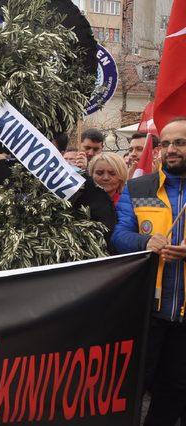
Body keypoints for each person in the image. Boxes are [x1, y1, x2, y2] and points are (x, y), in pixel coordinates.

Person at [112, 117, 186, 425]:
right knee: (129, 390)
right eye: (164, 143)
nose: (170, 149)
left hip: (184, 320)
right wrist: (146, 241)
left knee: (173, 394)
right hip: (148, 312)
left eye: (179, 142)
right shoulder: (139, 186)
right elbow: (118, 236)